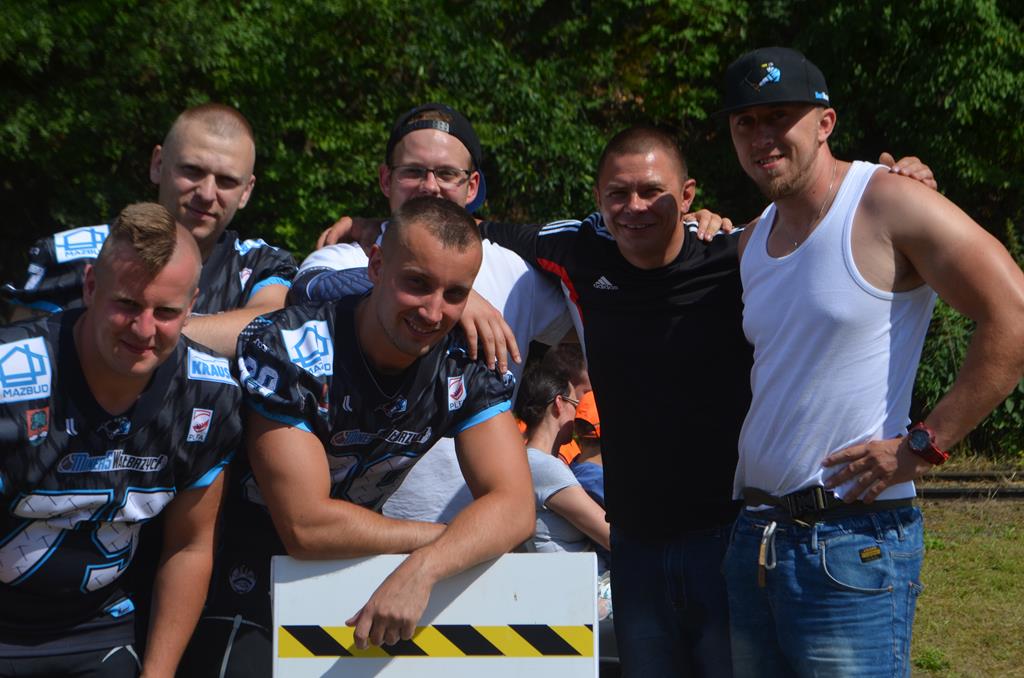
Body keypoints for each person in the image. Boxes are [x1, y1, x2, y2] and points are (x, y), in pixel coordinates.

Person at [476, 128, 939, 677]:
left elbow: (825, 236)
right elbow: (469, 232)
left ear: (688, 195)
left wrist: (903, 184)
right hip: (634, 542)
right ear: (598, 197)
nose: (635, 206)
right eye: (618, 193)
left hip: (730, 536)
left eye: (653, 191)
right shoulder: (579, 250)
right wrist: (447, 287)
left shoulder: (736, 255)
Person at [719, 46, 1024, 677]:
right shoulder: (751, 240)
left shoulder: (887, 202)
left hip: (851, 542)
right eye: (746, 122)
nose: (762, 136)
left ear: (824, 123)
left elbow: (1014, 314)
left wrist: (923, 446)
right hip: (756, 539)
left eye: (780, 117)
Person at [180, 196, 535, 676]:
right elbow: (306, 527)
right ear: (377, 266)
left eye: (456, 294)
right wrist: (445, 540)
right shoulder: (288, 345)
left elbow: (514, 507)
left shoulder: (464, 358)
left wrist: (427, 566)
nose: (433, 312)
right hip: (238, 565)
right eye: (417, 283)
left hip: (360, 566)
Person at [291, 103, 574, 528]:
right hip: (353, 535)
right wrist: (459, 298)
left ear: (471, 185)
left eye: (446, 173)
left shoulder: (516, 274)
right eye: (413, 172)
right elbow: (307, 291)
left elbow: (590, 325)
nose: (429, 186)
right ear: (386, 179)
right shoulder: (347, 255)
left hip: (481, 534)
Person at [0, 203, 241, 677]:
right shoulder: (11, 377)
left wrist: (157, 674)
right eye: (128, 304)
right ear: (90, 286)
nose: (144, 329)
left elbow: (189, 547)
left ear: (192, 305)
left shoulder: (209, 395)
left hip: (101, 627)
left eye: (166, 311)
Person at [4, 103, 296, 359]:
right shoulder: (70, 255)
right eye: (192, 171)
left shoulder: (262, 266)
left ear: (246, 192)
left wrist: (124, 336)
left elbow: (272, 324)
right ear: (158, 164)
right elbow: (24, 358)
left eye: (226, 181)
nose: (207, 194)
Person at [513, 361, 610, 559]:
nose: (577, 414)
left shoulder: (531, 461)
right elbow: (610, 535)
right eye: (575, 404)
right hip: (581, 577)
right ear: (559, 403)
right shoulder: (544, 466)